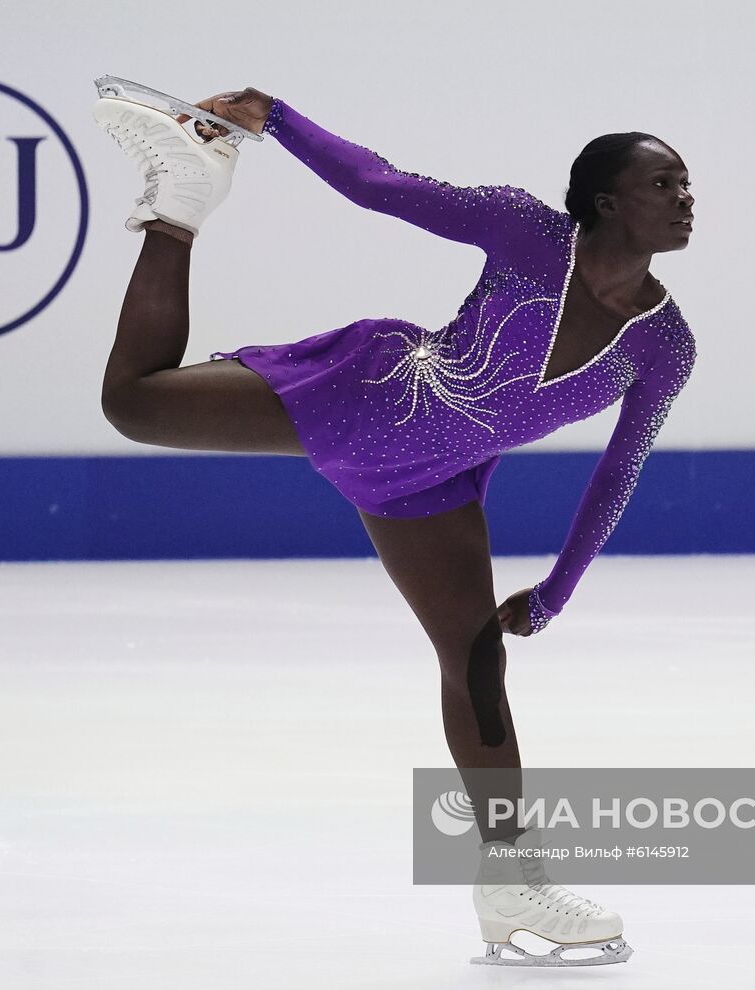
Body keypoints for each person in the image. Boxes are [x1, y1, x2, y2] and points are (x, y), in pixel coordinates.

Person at [91, 82, 696, 967]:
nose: (685, 199)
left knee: (476, 660)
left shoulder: (664, 343)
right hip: (372, 398)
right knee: (133, 406)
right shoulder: (530, 235)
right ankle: (181, 198)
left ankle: (511, 885)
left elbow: (620, 469)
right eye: (665, 184)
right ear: (608, 202)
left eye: (687, 187)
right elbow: (381, 185)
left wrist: (556, 593)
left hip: (431, 482)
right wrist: (281, 120)